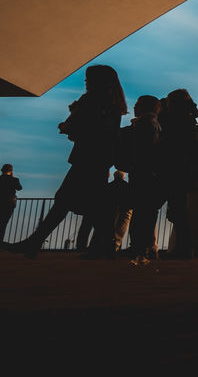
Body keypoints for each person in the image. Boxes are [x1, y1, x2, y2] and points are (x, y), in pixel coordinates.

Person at [6, 64, 127, 258]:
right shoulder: (113, 105)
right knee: (89, 203)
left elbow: (83, 128)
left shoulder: (92, 100)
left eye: (88, 78)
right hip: (100, 159)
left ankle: (35, 242)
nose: (85, 81)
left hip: (86, 158)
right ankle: (105, 245)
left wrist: (68, 126)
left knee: (67, 201)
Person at [158, 89, 198, 258]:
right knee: (179, 211)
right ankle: (184, 248)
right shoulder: (191, 124)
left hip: (175, 172)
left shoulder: (178, 124)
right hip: (185, 173)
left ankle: (183, 248)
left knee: (174, 211)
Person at [118, 95, 164, 264]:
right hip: (149, 174)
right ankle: (144, 247)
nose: (135, 106)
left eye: (137, 104)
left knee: (140, 211)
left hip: (142, 173)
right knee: (146, 212)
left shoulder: (144, 125)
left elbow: (143, 150)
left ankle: (138, 247)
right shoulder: (154, 125)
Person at [0, 164, 21, 242]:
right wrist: (12, 177)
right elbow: (19, 188)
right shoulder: (14, 179)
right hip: (9, 203)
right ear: (11, 171)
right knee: (3, 223)